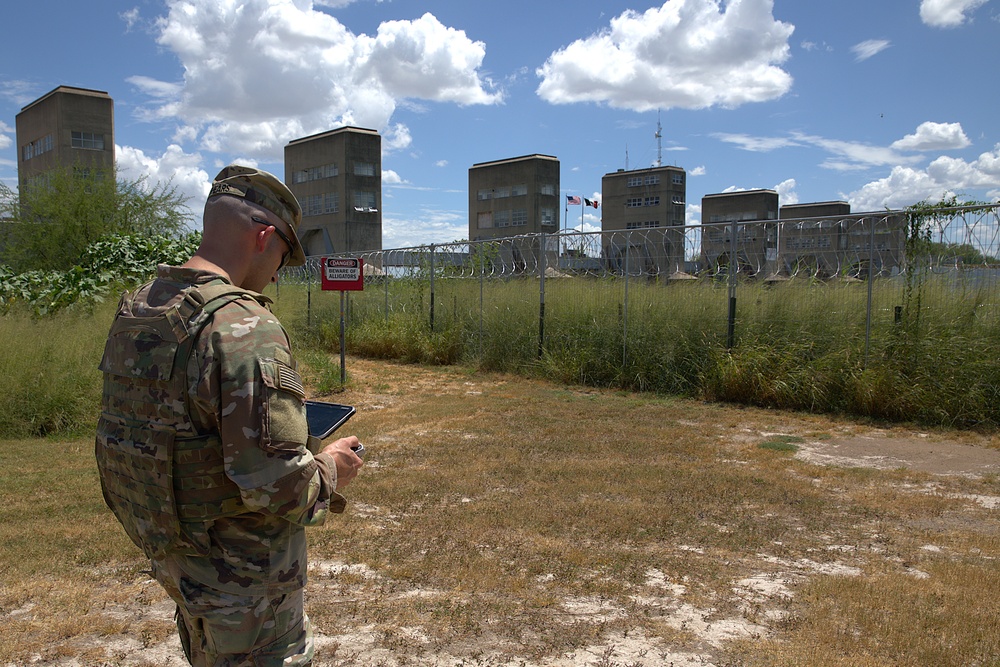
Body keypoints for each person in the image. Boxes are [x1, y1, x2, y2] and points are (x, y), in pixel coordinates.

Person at [95, 165, 363, 666]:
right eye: (283, 255)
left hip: (181, 559)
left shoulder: (141, 308)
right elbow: (278, 486)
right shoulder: (242, 325)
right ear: (264, 237)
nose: (279, 273)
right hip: (246, 583)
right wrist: (330, 467)